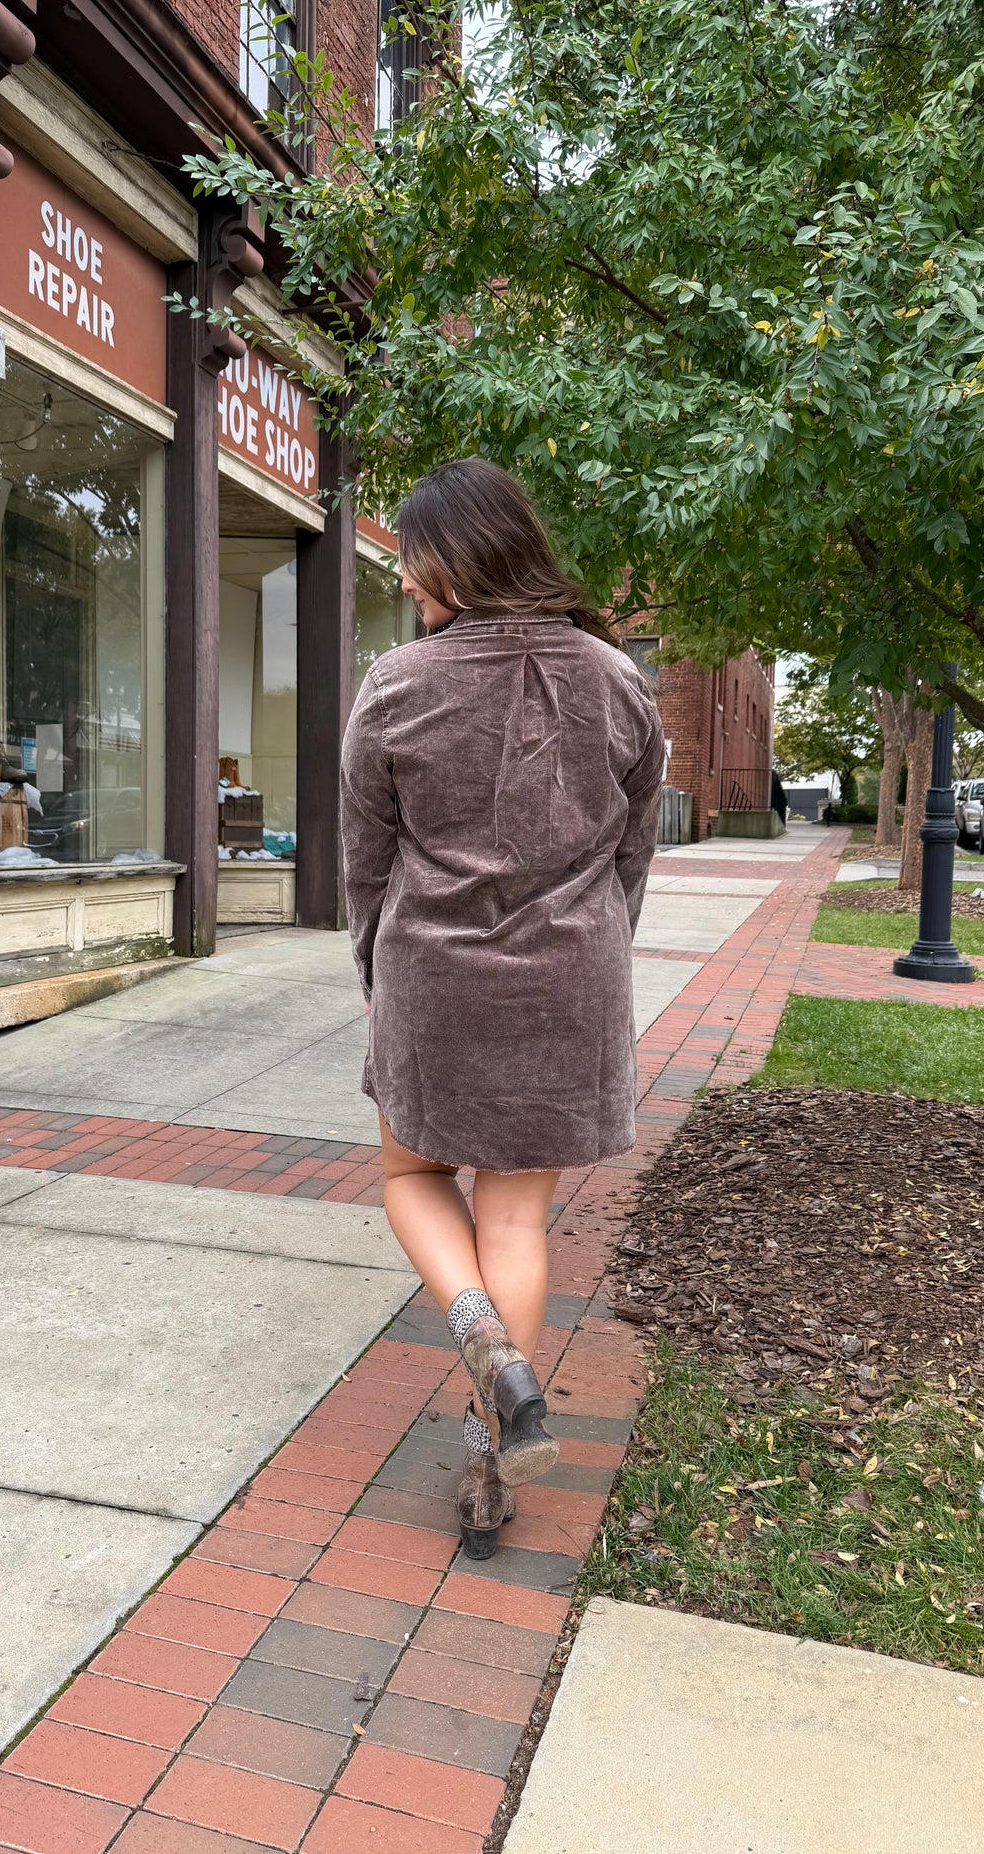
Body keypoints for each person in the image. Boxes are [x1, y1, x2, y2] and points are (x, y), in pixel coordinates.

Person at [340, 457, 664, 1557]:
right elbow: (631, 853)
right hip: (566, 977)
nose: (406, 584)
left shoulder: (395, 682)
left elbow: (364, 861)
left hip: (433, 974)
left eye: (411, 564)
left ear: (449, 559)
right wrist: (589, 947)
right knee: (515, 1217)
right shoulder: (616, 680)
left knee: (408, 1174)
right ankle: (490, 1463)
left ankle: (485, 1342)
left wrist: (378, 975)